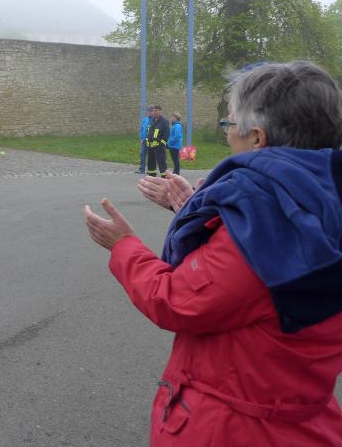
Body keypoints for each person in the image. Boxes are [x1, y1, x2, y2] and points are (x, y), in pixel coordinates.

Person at [84, 61, 342, 446]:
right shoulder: (318, 200)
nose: (227, 135)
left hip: (240, 426)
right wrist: (199, 214)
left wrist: (122, 245)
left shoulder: (267, 223)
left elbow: (176, 301)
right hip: (302, 410)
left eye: (229, 124)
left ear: (257, 138)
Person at [145, 104, 169, 177]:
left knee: (161, 162)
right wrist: (147, 140)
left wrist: (161, 144)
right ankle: (152, 175)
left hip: (159, 147)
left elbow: (166, 134)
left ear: (160, 111)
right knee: (151, 162)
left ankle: (164, 176)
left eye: (156, 111)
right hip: (150, 146)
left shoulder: (164, 121)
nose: (155, 112)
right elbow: (149, 131)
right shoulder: (152, 120)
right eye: (154, 111)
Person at [138, 105, 154, 174]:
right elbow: (142, 129)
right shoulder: (145, 119)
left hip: (151, 140)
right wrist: (141, 138)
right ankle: (141, 169)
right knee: (142, 154)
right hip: (144, 140)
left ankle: (151, 170)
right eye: (148, 111)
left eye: (151, 111)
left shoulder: (154, 120)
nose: (149, 112)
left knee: (150, 155)